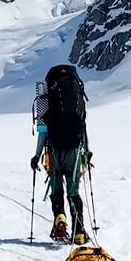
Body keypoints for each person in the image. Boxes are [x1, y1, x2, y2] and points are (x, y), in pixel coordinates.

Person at [31, 65, 92, 244]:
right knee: (73, 190)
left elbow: (42, 131)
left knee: (56, 187)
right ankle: (79, 231)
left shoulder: (45, 97)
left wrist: (36, 155)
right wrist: (87, 152)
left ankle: (60, 217)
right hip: (74, 149)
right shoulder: (78, 94)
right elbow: (83, 127)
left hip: (53, 150)